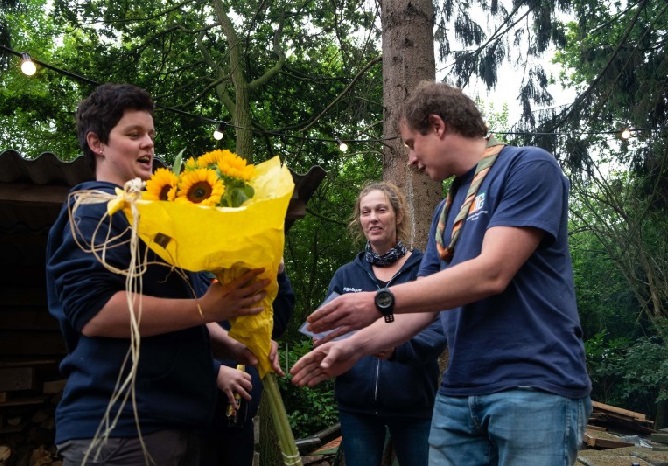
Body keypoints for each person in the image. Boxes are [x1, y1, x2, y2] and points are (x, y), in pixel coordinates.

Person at [290, 80, 592, 466]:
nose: (412, 160)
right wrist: (351, 347)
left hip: (533, 385)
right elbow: (424, 306)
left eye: (412, 143)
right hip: (458, 393)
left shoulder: (527, 166)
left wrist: (380, 300)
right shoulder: (444, 212)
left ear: (437, 125)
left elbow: (492, 273)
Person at [46, 82, 271, 466]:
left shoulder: (150, 214)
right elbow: (95, 314)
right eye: (133, 134)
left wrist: (228, 343)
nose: (148, 143)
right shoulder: (93, 210)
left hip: (169, 425)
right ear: (97, 143)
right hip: (121, 430)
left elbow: (175, 306)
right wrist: (206, 308)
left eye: (150, 133)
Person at [319, 181, 446, 466]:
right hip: (357, 407)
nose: (373, 217)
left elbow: (438, 331)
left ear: (397, 216)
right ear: (359, 220)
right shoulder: (345, 276)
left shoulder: (423, 269)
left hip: (414, 405)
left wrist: (395, 347)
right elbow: (326, 330)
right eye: (366, 212)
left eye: (380, 209)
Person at [208, 260, 295, 466]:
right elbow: (183, 331)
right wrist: (215, 370)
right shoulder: (197, 271)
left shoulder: (251, 271)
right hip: (200, 419)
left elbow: (277, 325)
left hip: (241, 420)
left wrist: (280, 275)